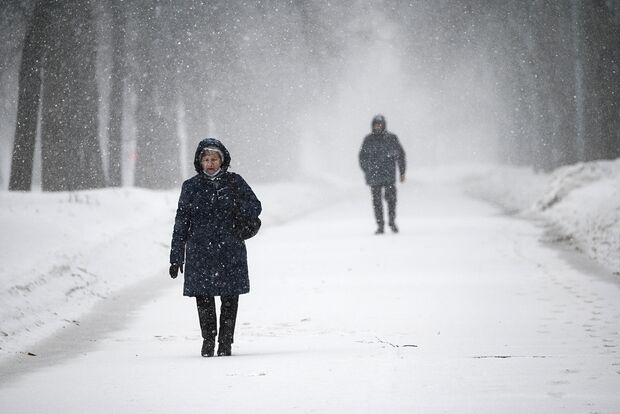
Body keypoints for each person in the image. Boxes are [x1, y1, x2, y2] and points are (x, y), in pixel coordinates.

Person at [169, 138, 262, 357]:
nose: (210, 164)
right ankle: (208, 340)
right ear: (199, 162)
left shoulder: (234, 182)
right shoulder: (191, 187)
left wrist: (239, 221)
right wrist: (176, 257)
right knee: (203, 297)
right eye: (206, 159)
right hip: (200, 250)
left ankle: (226, 342)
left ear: (222, 160)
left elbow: (255, 206)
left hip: (229, 249)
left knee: (230, 297)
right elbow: (181, 222)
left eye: (214, 159)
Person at [358, 114, 406, 234]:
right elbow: (362, 157)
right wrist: (367, 170)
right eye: (376, 124)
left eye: (380, 124)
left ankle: (391, 222)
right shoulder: (368, 140)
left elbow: (400, 155)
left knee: (391, 200)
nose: (378, 126)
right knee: (377, 203)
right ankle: (380, 225)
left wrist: (402, 172)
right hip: (374, 177)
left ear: (384, 125)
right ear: (372, 125)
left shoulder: (392, 138)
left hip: (389, 176)